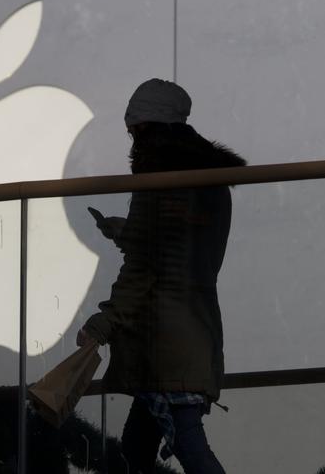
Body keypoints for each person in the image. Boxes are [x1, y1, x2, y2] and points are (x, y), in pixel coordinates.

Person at [77, 78, 246, 474]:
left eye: (134, 128)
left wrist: (102, 325)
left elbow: (145, 269)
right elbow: (178, 248)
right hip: (195, 330)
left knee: (189, 447)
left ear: (146, 127)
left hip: (162, 343)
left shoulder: (159, 179)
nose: (131, 138)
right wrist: (127, 231)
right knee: (137, 449)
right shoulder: (207, 180)